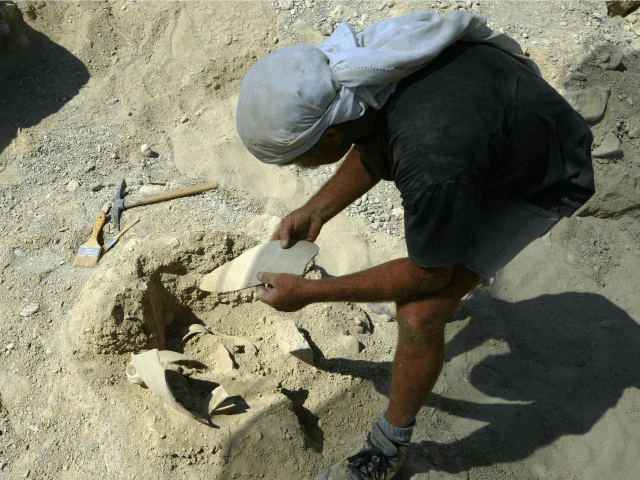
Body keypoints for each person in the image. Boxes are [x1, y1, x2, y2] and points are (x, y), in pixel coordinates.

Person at [236, 10, 594, 480]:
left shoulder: (430, 156)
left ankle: (387, 447)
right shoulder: (367, 73)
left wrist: (311, 293)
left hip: (545, 174)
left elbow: (432, 272)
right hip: (490, 136)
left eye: (296, 159)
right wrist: (316, 210)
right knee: (424, 266)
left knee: (419, 312)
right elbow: (373, 144)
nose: (297, 169)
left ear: (332, 133)